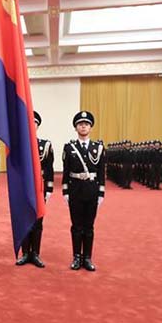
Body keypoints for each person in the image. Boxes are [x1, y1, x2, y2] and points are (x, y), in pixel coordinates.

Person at [62, 111, 105, 272]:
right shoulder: (69, 148)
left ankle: (87, 258)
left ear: (91, 127)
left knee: (89, 226)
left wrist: (101, 193)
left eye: (86, 124)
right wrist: (65, 191)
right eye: (80, 124)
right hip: (75, 190)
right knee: (76, 225)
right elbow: (66, 172)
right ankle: (76, 257)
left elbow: (101, 172)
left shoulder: (98, 148)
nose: (83, 126)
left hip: (92, 190)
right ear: (76, 127)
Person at [17, 111, 53, 268]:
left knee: (38, 221)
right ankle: (25, 253)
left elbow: (49, 168)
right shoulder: (19, 146)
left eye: (34, 123)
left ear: (37, 126)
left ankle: (36, 253)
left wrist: (49, 188)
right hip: (24, 188)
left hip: (38, 188)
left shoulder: (45, 145)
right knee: (24, 220)